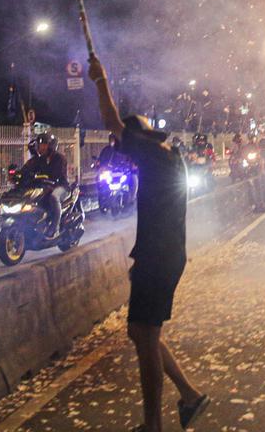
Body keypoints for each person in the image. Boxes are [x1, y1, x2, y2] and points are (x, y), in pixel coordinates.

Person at [88, 60, 208, 432]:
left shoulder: (152, 155)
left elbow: (112, 122)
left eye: (127, 139)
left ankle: (152, 424)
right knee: (141, 333)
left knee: (145, 335)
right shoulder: (168, 156)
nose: (122, 146)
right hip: (163, 255)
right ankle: (190, 396)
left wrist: (101, 80)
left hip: (159, 258)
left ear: (138, 138)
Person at [18, 132, 68, 238]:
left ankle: (55, 228)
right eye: (40, 144)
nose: (40, 147)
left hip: (60, 186)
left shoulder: (60, 158)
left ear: (50, 145)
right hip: (45, 186)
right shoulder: (39, 160)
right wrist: (18, 174)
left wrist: (48, 180)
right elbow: (28, 169)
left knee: (54, 197)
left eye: (43, 144)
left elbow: (58, 175)